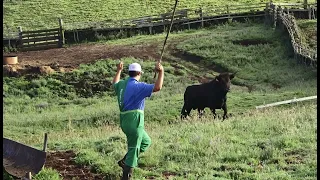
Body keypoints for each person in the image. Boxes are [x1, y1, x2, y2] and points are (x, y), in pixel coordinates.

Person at [112, 61, 164, 180]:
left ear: (129, 73)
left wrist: (119, 70)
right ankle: (126, 176)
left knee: (146, 141)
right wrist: (161, 71)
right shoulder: (138, 86)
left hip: (124, 120)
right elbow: (157, 87)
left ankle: (125, 161)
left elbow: (115, 83)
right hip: (135, 120)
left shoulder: (122, 85)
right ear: (139, 73)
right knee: (134, 148)